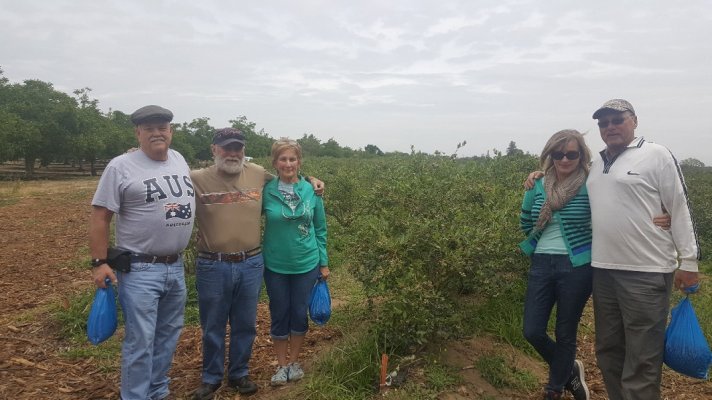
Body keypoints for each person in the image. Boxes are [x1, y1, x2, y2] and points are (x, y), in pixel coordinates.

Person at [189, 129, 324, 399]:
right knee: (213, 324)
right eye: (226, 148)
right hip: (212, 263)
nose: (232, 153)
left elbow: (290, 182)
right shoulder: (196, 179)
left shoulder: (257, 174)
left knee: (245, 323)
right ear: (214, 149)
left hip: (251, 261)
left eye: (237, 148)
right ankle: (211, 377)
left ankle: (239, 373)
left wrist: (312, 179)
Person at [586, 99, 700, 400]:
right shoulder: (596, 163)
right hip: (603, 269)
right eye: (603, 123)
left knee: (643, 354)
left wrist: (688, 260)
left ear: (634, 120)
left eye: (617, 120)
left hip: (647, 270)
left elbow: (678, 205)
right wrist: (539, 175)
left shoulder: (656, 155)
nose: (610, 127)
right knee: (608, 348)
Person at [89, 105, 194, 400]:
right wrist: (99, 263)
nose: (157, 133)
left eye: (162, 127)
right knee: (141, 341)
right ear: (138, 133)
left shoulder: (178, 159)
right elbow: (100, 217)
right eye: (149, 129)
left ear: (171, 131)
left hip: (175, 266)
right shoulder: (120, 166)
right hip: (140, 268)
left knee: (168, 335)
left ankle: (157, 391)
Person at [519, 130, 593, 400]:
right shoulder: (537, 184)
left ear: (581, 156)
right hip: (542, 263)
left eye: (571, 153)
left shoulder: (590, 183)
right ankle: (569, 369)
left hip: (578, 266)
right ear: (549, 155)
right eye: (558, 153)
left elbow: (610, 213)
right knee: (532, 330)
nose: (564, 159)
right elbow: (526, 222)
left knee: (565, 331)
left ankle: (554, 389)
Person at [262, 138, 330, 386]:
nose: (288, 163)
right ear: (275, 162)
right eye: (283, 159)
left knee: (300, 313)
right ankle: (281, 366)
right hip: (275, 265)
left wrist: (323, 263)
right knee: (279, 313)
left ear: (299, 162)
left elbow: (320, 228)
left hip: (307, 263)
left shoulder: (312, 190)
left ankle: (294, 362)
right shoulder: (266, 191)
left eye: (292, 159)